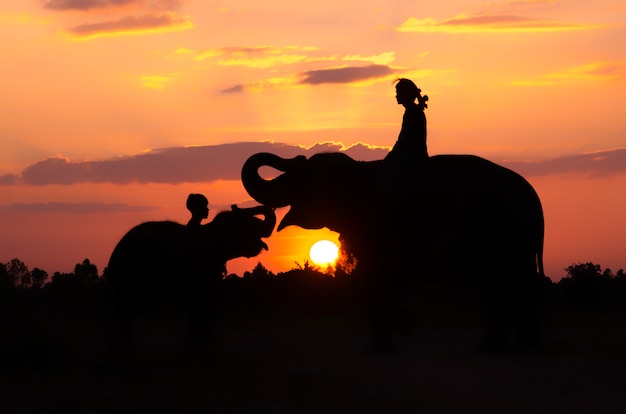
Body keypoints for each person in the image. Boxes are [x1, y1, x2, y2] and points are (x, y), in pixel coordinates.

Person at [385, 78, 429, 162]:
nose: (396, 96)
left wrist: (390, 155)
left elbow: (403, 139)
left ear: (405, 94)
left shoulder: (412, 112)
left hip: (412, 158)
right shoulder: (412, 111)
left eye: (398, 93)